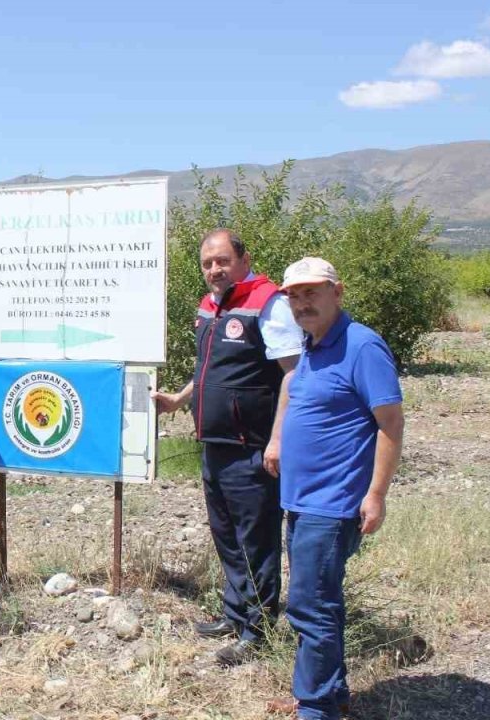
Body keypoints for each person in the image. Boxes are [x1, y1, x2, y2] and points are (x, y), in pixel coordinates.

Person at [152, 228, 302, 665]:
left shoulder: (269, 304)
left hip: (252, 446)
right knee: (226, 535)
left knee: (256, 538)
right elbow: (210, 367)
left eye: (222, 261)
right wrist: (180, 399)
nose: (214, 270)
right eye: (207, 263)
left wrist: (278, 439)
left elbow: (293, 375)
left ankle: (257, 630)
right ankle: (235, 614)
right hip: (214, 441)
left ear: (244, 259)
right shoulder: (211, 305)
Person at [264, 258, 404, 720]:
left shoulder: (362, 347)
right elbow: (295, 386)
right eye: (293, 295)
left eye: (311, 292)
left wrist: (376, 494)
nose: (301, 302)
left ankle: (316, 706)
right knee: (323, 601)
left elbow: (390, 423)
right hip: (302, 500)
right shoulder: (313, 344)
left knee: (309, 606)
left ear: (337, 292)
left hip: (333, 502)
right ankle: (332, 692)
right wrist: (279, 438)